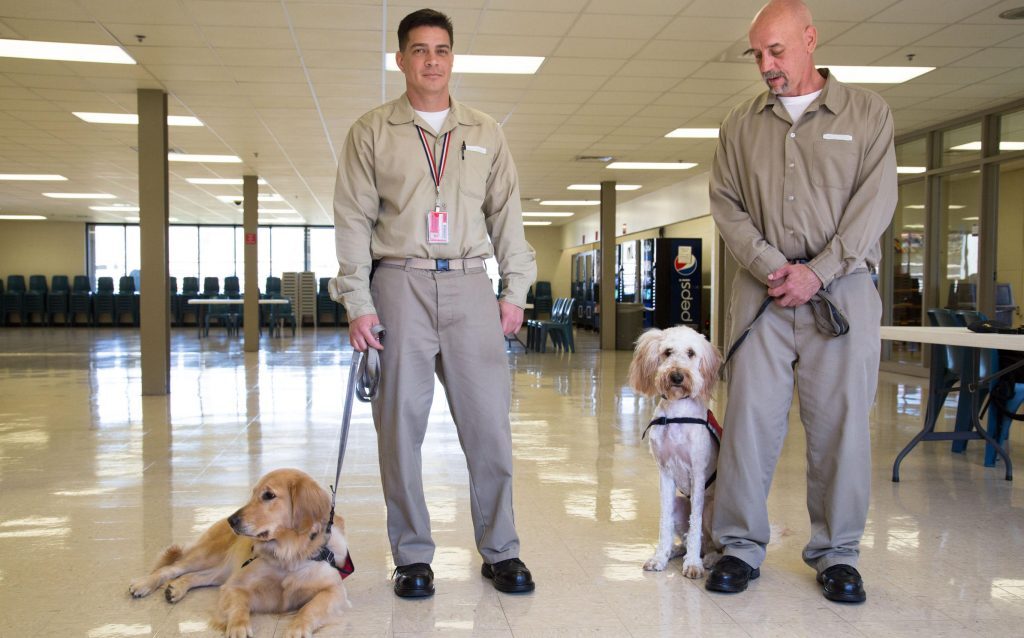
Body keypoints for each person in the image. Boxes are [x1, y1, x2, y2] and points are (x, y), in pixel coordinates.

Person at [330, 8, 537, 598]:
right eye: (419, 50)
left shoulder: (484, 131)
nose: (431, 61)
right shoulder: (371, 131)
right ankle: (413, 556)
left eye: (441, 50)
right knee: (399, 429)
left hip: (472, 283)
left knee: (489, 429)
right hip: (399, 284)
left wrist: (514, 291)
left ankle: (502, 551)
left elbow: (508, 218)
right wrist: (359, 303)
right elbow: (351, 221)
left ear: (452, 58)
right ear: (401, 60)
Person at [707, 0, 897, 603]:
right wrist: (771, 265)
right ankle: (736, 546)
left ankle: (837, 554)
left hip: (841, 298)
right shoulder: (739, 125)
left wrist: (817, 272)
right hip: (762, 297)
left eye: (777, 51)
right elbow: (727, 206)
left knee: (841, 429)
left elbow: (875, 204)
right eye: (757, 54)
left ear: (811, 39)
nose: (766, 64)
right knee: (747, 426)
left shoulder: (867, 114)